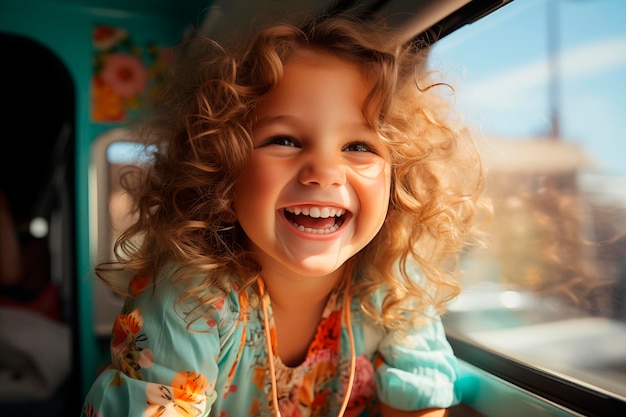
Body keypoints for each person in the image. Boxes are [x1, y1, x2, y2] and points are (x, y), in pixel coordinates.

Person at [81, 12, 489, 417]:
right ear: (223, 168)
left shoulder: (394, 285)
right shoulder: (187, 298)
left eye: (359, 147)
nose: (325, 172)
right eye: (285, 139)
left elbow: (418, 407)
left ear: (397, 178)